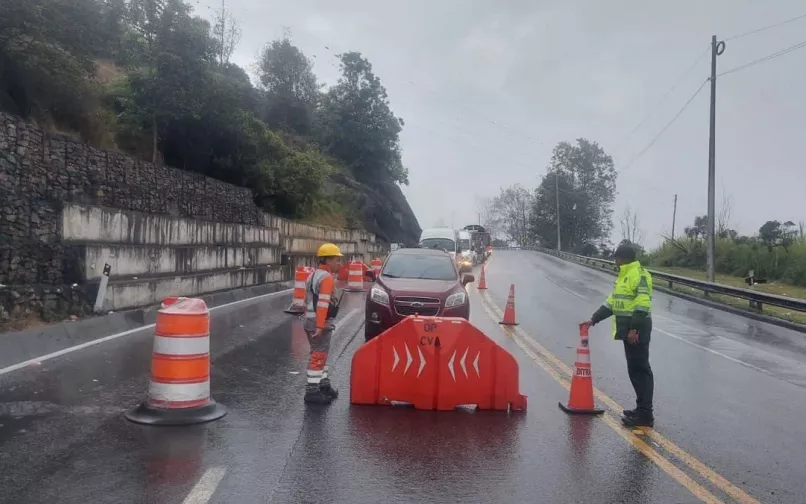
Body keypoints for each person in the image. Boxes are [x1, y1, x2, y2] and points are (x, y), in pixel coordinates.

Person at [580, 244, 655, 427]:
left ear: (621, 259)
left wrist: (634, 329)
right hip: (628, 330)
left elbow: (642, 303)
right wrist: (594, 319)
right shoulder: (624, 276)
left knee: (641, 370)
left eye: (616, 259)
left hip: (636, 330)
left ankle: (645, 414)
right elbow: (612, 302)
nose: (615, 262)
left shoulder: (640, 274)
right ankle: (641, 409)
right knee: (635, 370)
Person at [303, 243, 344, 405]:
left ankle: (324, 385)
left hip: (309, 321)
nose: (339, 264)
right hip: (320, 323)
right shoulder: (326, 278)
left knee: (319, 354)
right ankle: (312, 391)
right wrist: (320, 326)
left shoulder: (313, 275)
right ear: (327, 260)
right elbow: (323, 304)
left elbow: (308, 301)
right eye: (336, 260)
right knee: (318, 355)